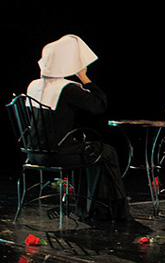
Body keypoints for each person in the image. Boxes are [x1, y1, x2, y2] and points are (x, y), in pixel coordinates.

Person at [26, 34, 132, 221]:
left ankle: (88, 208)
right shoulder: (66, 88)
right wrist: (83, 76)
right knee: (106, 152)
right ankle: (109, 210)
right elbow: (99, 105)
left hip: (32, 153)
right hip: (56, 154)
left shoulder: (34, 86)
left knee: (88, 150)